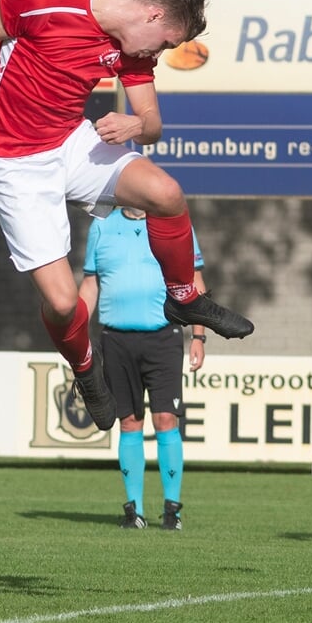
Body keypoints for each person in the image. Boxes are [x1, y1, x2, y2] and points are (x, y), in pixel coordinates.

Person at [0, 0, 252, 434]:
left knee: (166, 193)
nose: (159, 53)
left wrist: (135, 126)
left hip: (70, 141)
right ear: (152, 13)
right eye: (164, 41)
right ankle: (85, 369)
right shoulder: (48, 0)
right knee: (63, 304)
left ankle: (183, 299)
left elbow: (153, 122)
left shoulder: (131, 46)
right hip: (13, 162)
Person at [78, 207, 205, 530]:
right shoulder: (102, 226)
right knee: (129, 421)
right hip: (116, 339)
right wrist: (75, 333)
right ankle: (133, 511)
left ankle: (171, 510)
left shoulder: (174, 225)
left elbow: (193, 279)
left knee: (165, 418)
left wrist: (199, 335)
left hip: (163, 336)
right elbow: (90, 284)